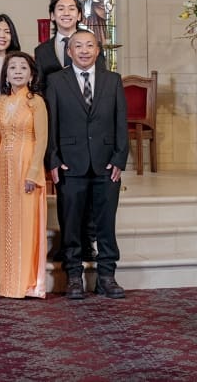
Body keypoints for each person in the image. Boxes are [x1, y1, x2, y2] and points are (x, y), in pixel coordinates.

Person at [45, 29, 128, 300]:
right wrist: (54, 160)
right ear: (69, 51)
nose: (83, 50)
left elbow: (120, 123)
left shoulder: (113, 80)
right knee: (70, 223)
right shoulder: (56, 81)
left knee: (106, 223)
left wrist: (119, 158)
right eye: (77, 46)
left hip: (106, 164)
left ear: (97, 50)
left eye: (89, 46)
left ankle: (106, 275)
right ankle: (73, 277)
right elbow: (51, 123)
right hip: (70, 163)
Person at [34, 0, 98, 264]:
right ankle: (67, 240)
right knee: (64, 186)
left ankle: (88, 240)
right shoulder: (42, 51)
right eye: (60, 9)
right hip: (56, 123)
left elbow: (99, 83)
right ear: (52, 15)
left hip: (86, 125)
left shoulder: (92, 45)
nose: (66, 13)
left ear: (79, 14)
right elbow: (38, 86)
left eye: (72, 8)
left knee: (90, 187)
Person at [0, 52, 48, 299]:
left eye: (23, 67)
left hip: (27, 166)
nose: (17, 71)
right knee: (5, 225)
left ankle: (27, 283)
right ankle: (5, 282)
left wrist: (33, 173)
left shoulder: (36, 102)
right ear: (6, 74)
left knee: (25, 223)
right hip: (4, 168)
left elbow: (42, 138)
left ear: (31, 74)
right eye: (12, 67)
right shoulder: (0, 103)